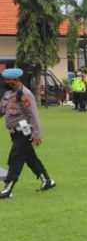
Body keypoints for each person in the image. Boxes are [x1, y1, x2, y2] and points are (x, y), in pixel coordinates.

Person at [0, 68, 56, 199]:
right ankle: (47, 181)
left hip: (25, 133)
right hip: (14, 134)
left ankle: (7, 189)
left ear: (16, 80)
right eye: (5, 80)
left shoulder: (25, 94)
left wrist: (36, 134)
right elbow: (1, 110)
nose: (6, 82)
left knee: (15, 158)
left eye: (9, 81)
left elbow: (33, 115)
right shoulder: (8, 94)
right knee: (30, 158)